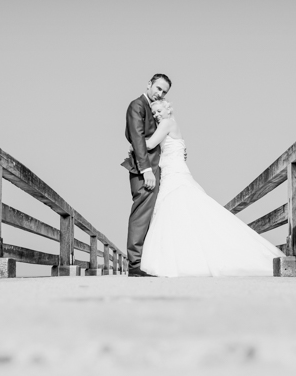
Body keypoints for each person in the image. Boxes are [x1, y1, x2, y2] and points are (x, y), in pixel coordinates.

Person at [139, 99, 285, 277]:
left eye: (159, 111)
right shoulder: (172, 125)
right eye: (154, 113)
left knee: (177, 211)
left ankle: (182, 261)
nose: (156, 115)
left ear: (168, 110)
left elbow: (149, 144)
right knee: (183, 215)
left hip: (175, 175)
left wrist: (134, 140)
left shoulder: (167, 123)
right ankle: (185, 259)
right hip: (173, 173)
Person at [121, 74, 171, 277]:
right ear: (149, 84)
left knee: (150, 215)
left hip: (154, 168)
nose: (160, 93)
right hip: (145, 171)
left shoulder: (151, 108)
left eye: (164, 92)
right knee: (141, 215)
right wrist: (146, 170)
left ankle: (145, 262)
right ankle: (135, 265)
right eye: (158, 88)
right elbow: (137, 138)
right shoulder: (137, 105)